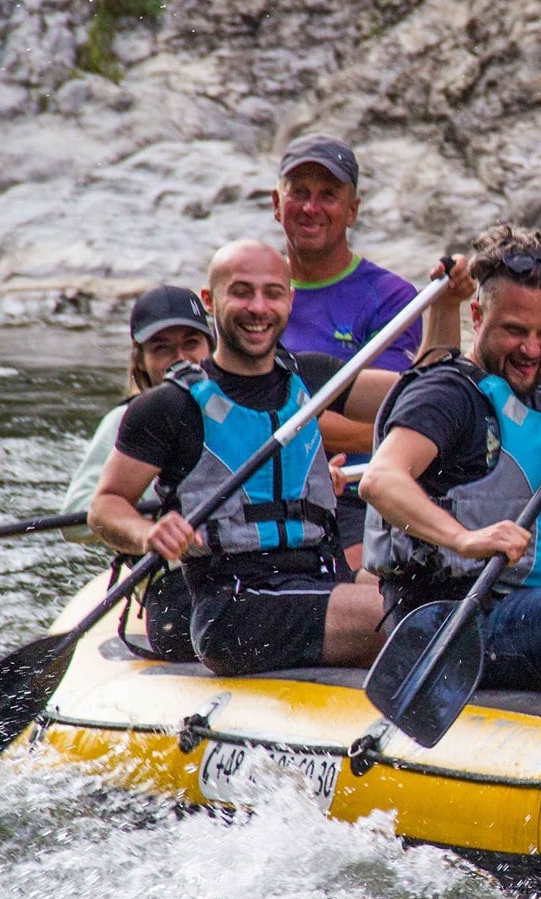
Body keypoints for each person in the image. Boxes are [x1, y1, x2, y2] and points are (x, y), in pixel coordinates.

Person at [88, 240, 404, 676]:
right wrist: (146, 534)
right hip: (234, 610)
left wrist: (452, 307)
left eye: (272, 293)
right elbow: (105, 507)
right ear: (210, 301)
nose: (258, 307)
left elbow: (424, 395)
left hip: (320, 579)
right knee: (397, 616)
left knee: (426, 595)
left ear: (289, 300)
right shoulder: (167, 408)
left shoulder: (314, 379)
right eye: (241, 292)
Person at [358, 225, 541, 693]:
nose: (532, 350)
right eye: (514, 331)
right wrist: (465, 539)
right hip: (452, 630)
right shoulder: (445, 395)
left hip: (524, 605)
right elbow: (380, 479)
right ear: (477, 314)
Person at [272, 132, 465, 569]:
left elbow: (398, 410)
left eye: (328, 195)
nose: (310, 207)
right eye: (298, 193)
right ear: (276, 203)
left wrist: (294, 427)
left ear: (352, 210)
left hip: (359, 496)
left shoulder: (390, 297)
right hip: (267, 488)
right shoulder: (258, 293)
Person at [59, 284, 215, 658]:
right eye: (162, 348)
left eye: (191, 343)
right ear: (140, 360)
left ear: (211, 347)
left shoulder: (240, 412)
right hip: (177, 585)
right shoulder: (125, 422)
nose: (180, 358)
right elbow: (76, 517)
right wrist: (152, 510)